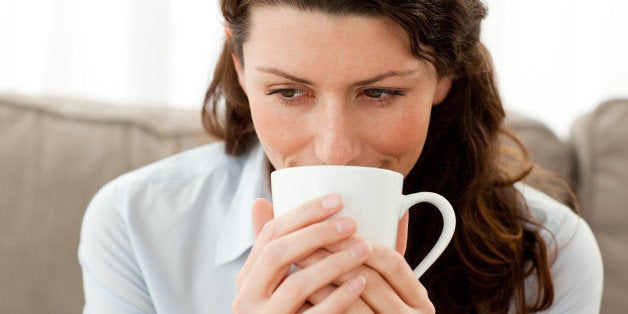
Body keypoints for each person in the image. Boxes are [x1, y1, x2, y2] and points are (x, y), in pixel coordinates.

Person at [78, 0, 604, 313]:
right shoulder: (135, 223)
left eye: (379, 94)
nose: (334, 150)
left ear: (444, 75)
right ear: (240, 65)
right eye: (287, 92)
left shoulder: (549, 254)